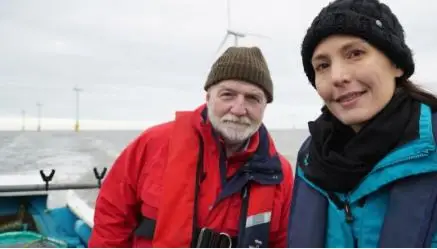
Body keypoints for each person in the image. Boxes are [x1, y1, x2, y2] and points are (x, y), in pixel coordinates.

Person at [88, 46, 294, 248]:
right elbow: (112, 219)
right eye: (227, 95)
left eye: (252, 98)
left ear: (265, 106)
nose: (239, 109)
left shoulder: (280, 174)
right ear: (208, 97)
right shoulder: (154, 144)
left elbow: (284, 242)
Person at [287, 0, 437, 247]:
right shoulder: (309, 160)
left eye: (355, 53)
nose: (338, 77)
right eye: (323, 65)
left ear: (396, 64)